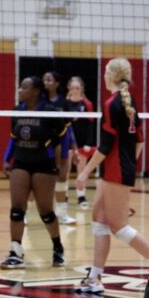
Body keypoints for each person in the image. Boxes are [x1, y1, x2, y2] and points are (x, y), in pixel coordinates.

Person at [75, 58, 149, 293]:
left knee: (119, 226)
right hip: (117, 168)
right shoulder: (128, 102)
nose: (103, 76)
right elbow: (140, 142)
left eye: (106, 72)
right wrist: (128, 162)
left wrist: (84, 172)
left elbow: (105, 146)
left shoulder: (113, 103)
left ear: (113, 76)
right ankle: (95, 277)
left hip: (115, 170)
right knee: (99, 219)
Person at [0, 76, 68, 269]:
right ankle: (15, 252)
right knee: (16, 209)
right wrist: (7, 158)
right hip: (21, 162)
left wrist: (63, 163)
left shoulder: (50, 111)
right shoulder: (17, 111)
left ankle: (57, 247)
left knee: (45, 211)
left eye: (24, 87)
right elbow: (13, 137)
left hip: (44, 165)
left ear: (36, 91)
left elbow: (63, 137)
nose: (20, 90)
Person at [43, 70, 77, 225]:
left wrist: (74, 148)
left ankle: (62, 214)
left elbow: (69, 127)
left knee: (62, 176)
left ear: (56, 83)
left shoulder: (63, 102)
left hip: (62, 141)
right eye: (45, 80)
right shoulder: (40, 100)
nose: (46, 82)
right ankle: (24, 214)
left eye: (50, 80)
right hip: (44, 141)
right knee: (38, 178)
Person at [65, 76, 96, 209]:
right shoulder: (64, 103)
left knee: (81, 170)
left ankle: (81, 196)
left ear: (81, 89)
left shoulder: (87, 104)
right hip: (67, 141)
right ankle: (63, 195)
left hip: (82, 142)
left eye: (77, 88)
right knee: (64, 170)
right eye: (73, 88)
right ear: (69, 89)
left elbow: (91, 125)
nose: (75, 90)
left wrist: (89, 142)